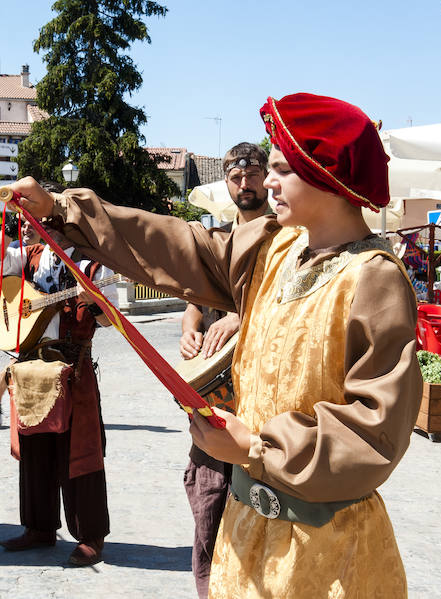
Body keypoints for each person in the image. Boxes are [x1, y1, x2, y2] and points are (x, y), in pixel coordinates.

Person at [3, 93, 422, 597]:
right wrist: (62, 209)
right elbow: (180, 248)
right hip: (245, 535)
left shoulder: (373, 279)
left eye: (282, 169)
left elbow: (375, 430)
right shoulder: (276, 246)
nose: (267, 182)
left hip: (324, 550)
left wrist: (256, 447)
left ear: (326, 175)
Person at [0, 192, 117, 567]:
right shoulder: (31, 255)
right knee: (35, 453)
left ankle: (90, 535)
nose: (39, 224)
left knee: (80, 453)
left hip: (73, 370)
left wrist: (95, 303)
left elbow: (109, 321)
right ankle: (39, 528)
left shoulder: (93, 267)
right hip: (31, 369)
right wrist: (12, 226)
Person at [178, 142, 270, 599]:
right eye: (236, 177)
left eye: (252, 175)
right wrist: (190, 330)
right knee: (208, 507)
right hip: (215, 401)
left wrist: (242, 314)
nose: (245, 184)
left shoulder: (283, 238)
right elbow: (194, 305)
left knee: (259, 517)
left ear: (266, 178)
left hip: (263, 404)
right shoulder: (219, 242)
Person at [0, 217, 39, 428]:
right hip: (15, 315)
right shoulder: (15, 248)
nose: (26, 228)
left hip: (36, 313)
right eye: (23, 224)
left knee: (25, 360)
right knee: (19, 360)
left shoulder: (47, 250)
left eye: (31, 223)